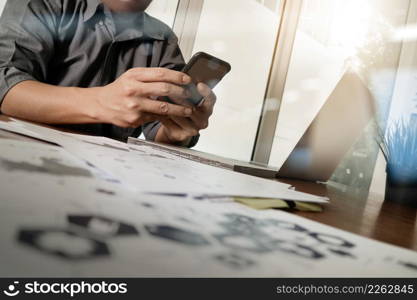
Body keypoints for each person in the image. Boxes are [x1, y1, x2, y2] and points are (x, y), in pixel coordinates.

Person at [0, 0, 216, 147]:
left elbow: (159, 127)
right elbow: (4, 79)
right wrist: (100, 103)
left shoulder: (163, 38)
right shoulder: (47, 3)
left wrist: (176, 130)